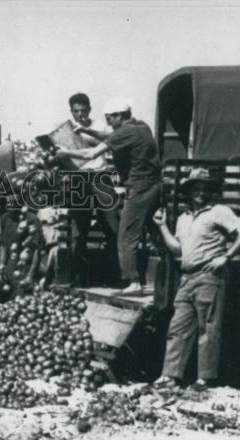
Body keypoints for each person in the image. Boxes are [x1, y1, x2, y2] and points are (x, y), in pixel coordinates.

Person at [151, 168, 240, 391]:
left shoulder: (218, 211)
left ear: (211, 191)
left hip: (209, 277)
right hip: (186, 278)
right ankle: (170, 376)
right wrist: (161, 226)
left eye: (205, 188)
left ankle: (204, 379)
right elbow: (178, 250)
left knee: (207, 329)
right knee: (177, 327)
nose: (200, 192)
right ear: (189, 191)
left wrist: (226, 257)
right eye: (196, 188)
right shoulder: (183, 218)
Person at [56, 97, 161, 294]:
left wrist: (66, 153)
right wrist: (85, 130)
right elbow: (108, 136)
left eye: (110, 118)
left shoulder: (124, 132)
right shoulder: (141, 126)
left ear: (119, 116)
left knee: (124, 233)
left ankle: (132, 281)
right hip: (150, 185)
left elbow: (90, 154)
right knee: (151, 230)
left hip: (134, 186)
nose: (108, 123)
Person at [62, 92, 119, 286]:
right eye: (76, 111)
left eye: (83, 110)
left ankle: (114, 275)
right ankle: (79, 276)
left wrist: (84, 131)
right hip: (79, 178)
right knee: (78, 229)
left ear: (89, 110)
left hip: (100, 176)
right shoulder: (65, 128)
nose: (80, 114)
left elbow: (104, 142)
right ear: (71, 112)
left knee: (112, 225)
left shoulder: (99, 126)